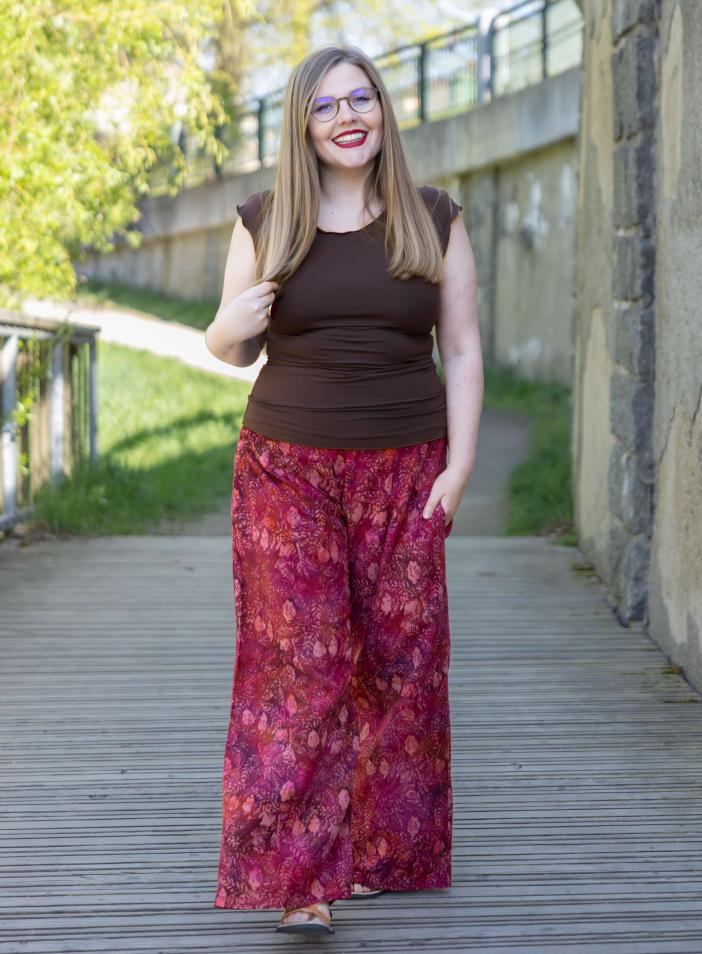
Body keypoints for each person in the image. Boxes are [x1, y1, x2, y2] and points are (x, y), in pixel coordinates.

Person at [205, 43, 482, 935]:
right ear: (303, 125)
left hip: (407, 467)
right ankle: (301, 881)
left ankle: (379, 854)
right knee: (299, 667)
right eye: (325, 106)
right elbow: (229, 346)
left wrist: (460, 467)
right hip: (287, 465)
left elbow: (463, 349)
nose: (347, 117)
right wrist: (227, 326)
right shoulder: (267, 221)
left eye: (361, 99)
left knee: (401, 663)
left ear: (384, 111)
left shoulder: (432, 218)